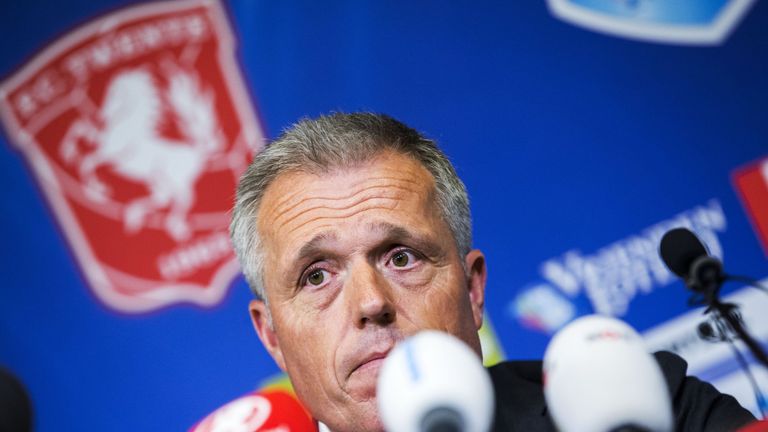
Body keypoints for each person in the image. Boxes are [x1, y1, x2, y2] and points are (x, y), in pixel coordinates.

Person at [230, 112, 755, 432]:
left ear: (474, 288)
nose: (371, 302)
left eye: (401, 257)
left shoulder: (640, 405)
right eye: (317, 276)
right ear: (271, 333)